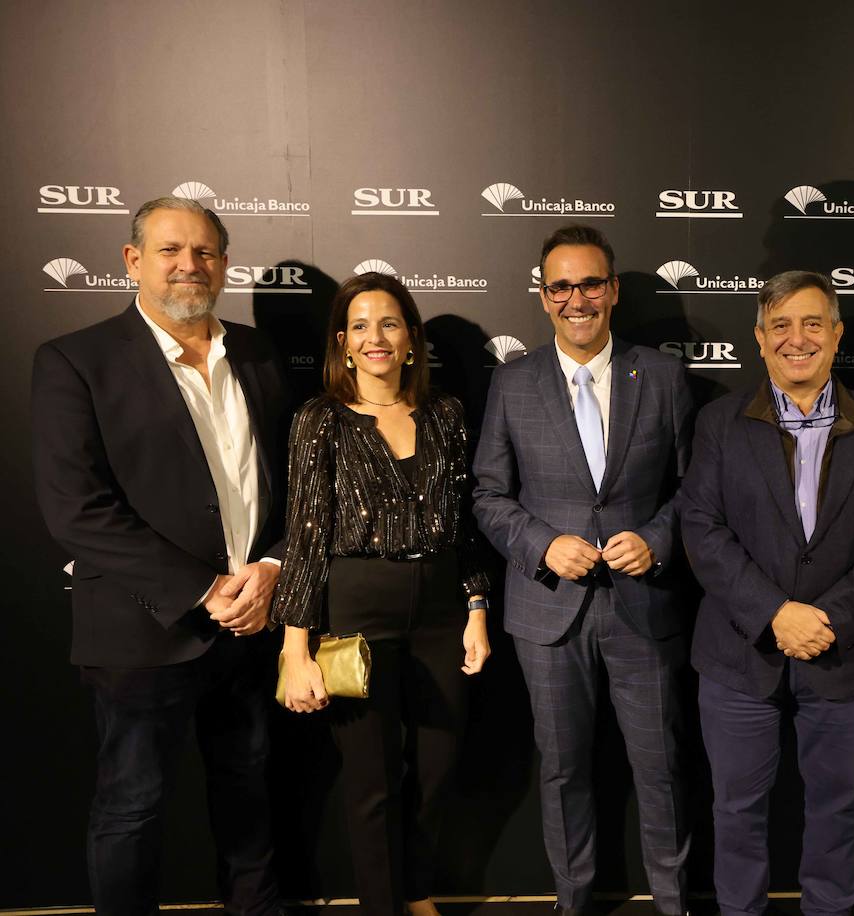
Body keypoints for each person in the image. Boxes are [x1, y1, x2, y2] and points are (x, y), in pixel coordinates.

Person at [32, 196, 289, 915]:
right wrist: (207, 590)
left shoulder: (259, 354)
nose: (189, 265)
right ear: (133, 260)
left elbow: (294, 484)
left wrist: (269, 569)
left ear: (226, 265)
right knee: (132, 808)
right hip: (141, 634)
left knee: (249, 791)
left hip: (253, 623)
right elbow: (76, 510)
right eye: (171, 250)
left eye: (205, 252)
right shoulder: (74, 361)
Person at [472, 224, 694, 916]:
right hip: (548, 608)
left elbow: (697, 492)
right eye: (561, 285)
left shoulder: (662, 375)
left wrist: (657, 538)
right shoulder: (512, 382)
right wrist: (541, 544)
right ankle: (573, 903)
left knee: (660, 769)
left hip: (643, 604)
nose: (577, 299)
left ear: (613, 290)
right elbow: (487, 493)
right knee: (563, 771)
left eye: (590, 283)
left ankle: (673, 902)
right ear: (543, 297)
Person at [679, 271, 854, 916]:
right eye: (779, 325)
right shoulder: (718, 424)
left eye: (813, 323)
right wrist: (774, 614)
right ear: (759, 340)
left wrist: (830, 619)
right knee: (735, 809)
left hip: (843, 655)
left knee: (838, 808)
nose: (797, 338)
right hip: (738, 655)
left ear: (837, 335)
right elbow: (701, 527)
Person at [271, 272, 492, 916]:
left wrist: (477, 607)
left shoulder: (446, 415)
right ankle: (381, 905)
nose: (376, 337)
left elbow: (466, 523)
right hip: (356, 607)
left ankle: (416, 890)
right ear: (342, 343)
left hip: (442, 609)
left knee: (436, 770)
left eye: (389, 323)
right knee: (370, 781)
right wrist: (295, 647)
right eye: (361, 326)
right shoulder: (320, 420)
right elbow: (307, 536)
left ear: (411, 339)